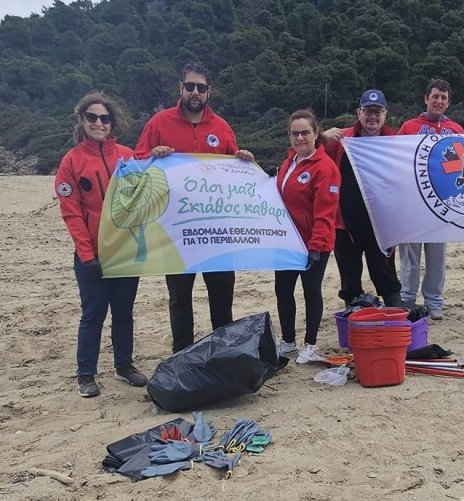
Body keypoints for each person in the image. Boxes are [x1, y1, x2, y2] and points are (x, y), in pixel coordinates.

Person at [134, 62, 255, 353]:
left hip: (217, 230)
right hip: (176, 230)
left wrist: (243, 159)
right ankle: (182, 354)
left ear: (209, 91)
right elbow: (136, 164)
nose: (195, 92)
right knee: (179, 298)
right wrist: (152, 155)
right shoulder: (159, 123)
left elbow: (233, 172)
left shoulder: (222, 127)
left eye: (201, 87)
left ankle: (225, 353)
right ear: (181, 88)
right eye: (190, 86)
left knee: (222, 294)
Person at [55, 93, 147, 397]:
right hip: (91, 255)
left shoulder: (127, 155)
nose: (98, 122)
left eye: (104, 118)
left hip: (124, 253)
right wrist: (86, 255)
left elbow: (144, 196)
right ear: (82, 120)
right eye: (92, 117)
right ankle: (86, 373)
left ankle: (124, 365)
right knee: (93, 313)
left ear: (111, 122)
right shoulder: (71, 161)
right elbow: (72, 214)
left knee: (124, 312)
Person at [321, 89, 404, 308]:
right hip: (345, 224)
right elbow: (309, 155)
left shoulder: (396, 143)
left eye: (377, 112)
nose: (372, 117)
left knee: (386, 276)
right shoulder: (341, 138)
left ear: (385, 114)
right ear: (359, 112)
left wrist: (397, 230)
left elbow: (404, 188)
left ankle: (395, 316)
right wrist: (321, 138)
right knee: (349, 278)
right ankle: (354, 320)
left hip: (381, 225)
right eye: (367, 111)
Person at [274, 109, 340, 363]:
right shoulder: (288, 162)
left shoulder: (326, 168)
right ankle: (288, 341)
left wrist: (317, 246)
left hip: (313, 244)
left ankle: (310, 343)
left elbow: (326, 213)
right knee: (283, 290)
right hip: (286, 242)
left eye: (305, 132)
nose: (299, 138)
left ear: (316, 133)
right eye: (295, 133)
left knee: (311, 291)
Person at [396, 78, 464, 320]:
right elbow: (396, 161)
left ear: (448, 102)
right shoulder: (409, 126)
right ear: (426, 99)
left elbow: (463, 167)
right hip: (412, 203)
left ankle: (434, 301)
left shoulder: (457, 130)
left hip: (441, 205)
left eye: (443, 98)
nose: (439, 101)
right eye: (435, 96)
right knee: (409, 257)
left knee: (437, 258)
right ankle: (407, 299)